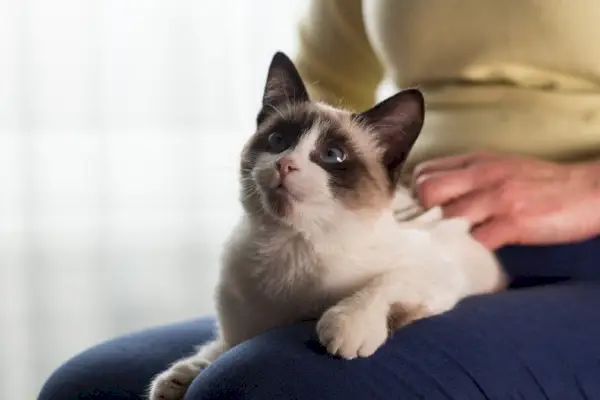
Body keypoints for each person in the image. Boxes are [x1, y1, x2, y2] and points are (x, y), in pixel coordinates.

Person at [38, 1, 600, 399]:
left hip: (581, 260)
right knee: (91, 387)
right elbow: (319, 91)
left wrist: (588, 188)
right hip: (413, 225)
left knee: (279, 386)